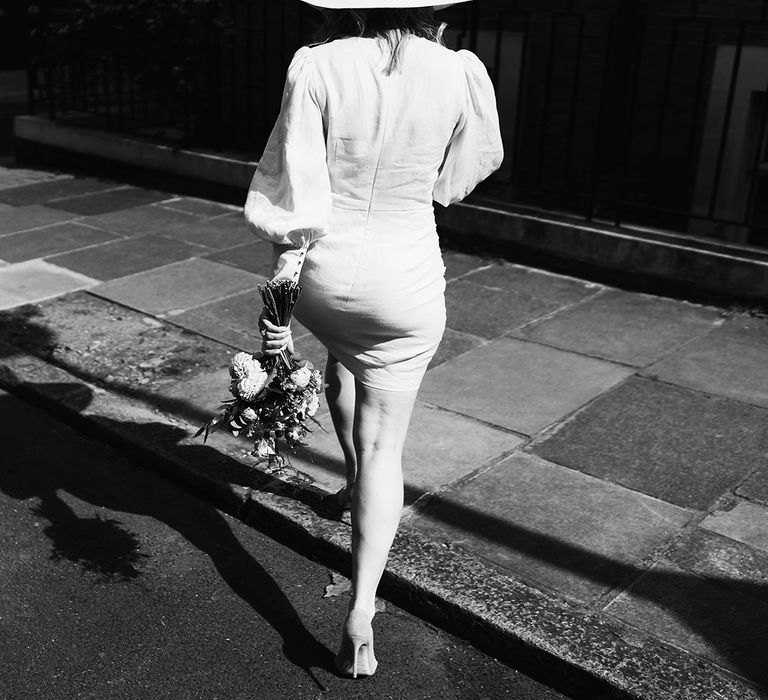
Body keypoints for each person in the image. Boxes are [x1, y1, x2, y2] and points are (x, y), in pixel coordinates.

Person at [244, 0, 502, 679]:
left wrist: (284, 269)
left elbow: (292, 179)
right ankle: (361, 607)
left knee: (340, 364)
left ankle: (351, 480)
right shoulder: (460, 72)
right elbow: (462, 176)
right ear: (435, 14)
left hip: (327, 280)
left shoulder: (319, 63)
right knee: (388, 445)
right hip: (406, 280)